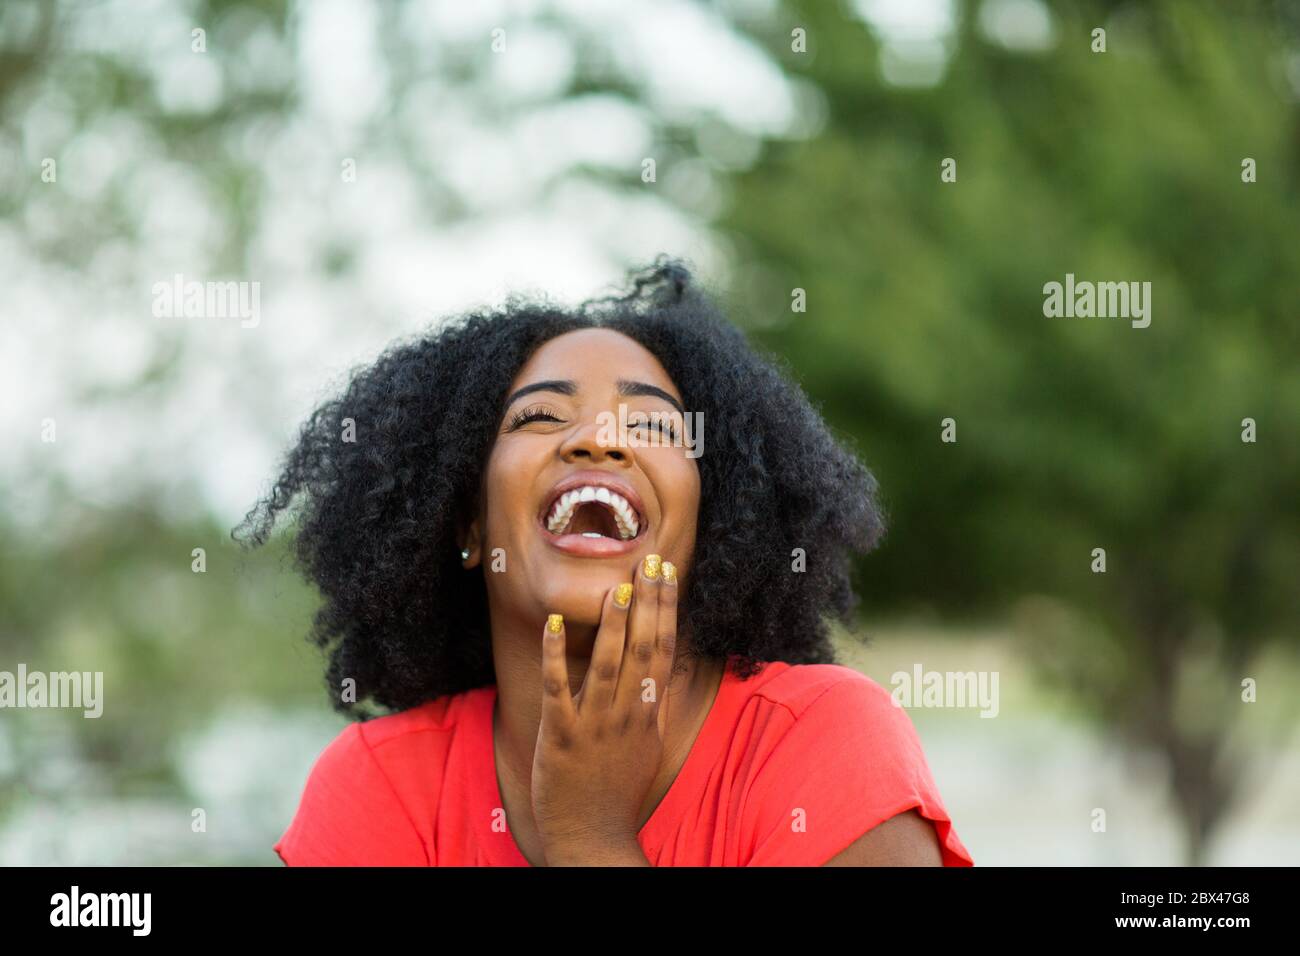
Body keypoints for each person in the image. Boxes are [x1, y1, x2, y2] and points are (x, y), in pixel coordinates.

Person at [238, 256, 974, 866]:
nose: (597, 438)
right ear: (466, 522)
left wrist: (589, 836)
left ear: (711, 521)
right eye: (541, 416)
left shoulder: (825, 742)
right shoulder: (382, 784)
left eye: (651, 422)